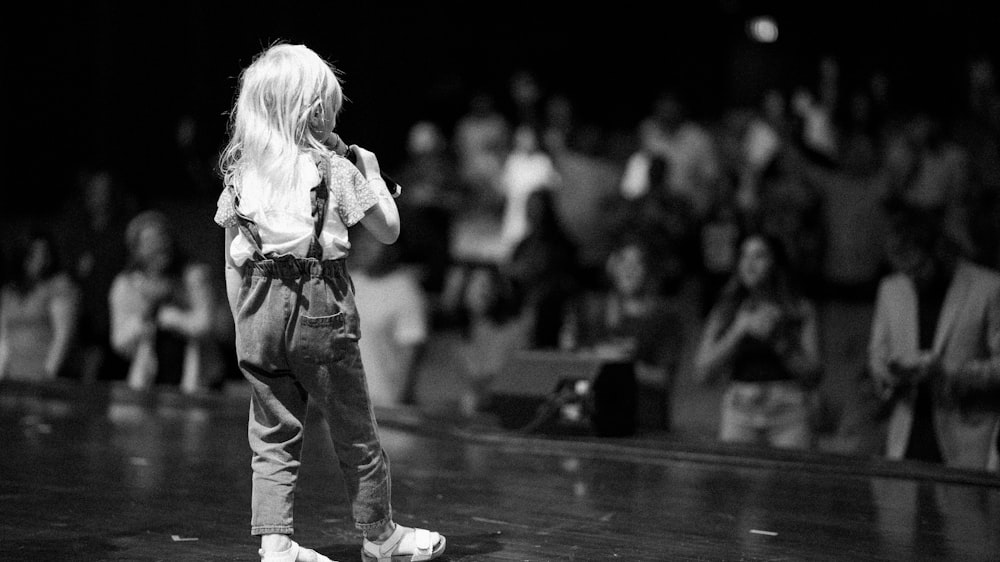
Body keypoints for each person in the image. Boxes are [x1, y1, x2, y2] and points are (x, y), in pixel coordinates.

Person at [215, 43, 446, 562]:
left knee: (272, 431)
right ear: (313, 111)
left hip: (256, 309)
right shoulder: (334, 169)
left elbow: (232, 259)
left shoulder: (241, 175)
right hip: (320, 305)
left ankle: (275, 545)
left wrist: (243, 322)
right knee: (354, 429)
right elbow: (387, 231)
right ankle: (380, 535)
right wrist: (374, 173)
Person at [868, 205, 1000, 471]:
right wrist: (895, 371)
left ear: (938, 252)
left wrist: (949, 371)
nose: (913, 277)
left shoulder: (988, 287)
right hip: (907, 434)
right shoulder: (892, 288)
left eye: (919, 267)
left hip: (967, 437)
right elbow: (877, 356)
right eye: (905, 270)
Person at [693, 232, 823, 450]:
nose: (749, 264)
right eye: (744, 256)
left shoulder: (799, 308)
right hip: (740, 413)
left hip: (788, 414)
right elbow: (702, 371)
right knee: (737, 481)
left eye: (759, 256)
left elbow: (814, 375)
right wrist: (739, 330)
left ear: (776, 263)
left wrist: (778, 340)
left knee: (790, 482)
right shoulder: (726, 309)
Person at [109, 210, 221, 394]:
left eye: (162, 238)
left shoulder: (193, 276)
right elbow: (119, 341)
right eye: (148, 242)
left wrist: (172, 317)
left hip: (196, 376)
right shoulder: (127, 284)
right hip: (147, 379)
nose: (158, 247)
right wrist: (148, 317)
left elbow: (205, 324)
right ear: (136, 249)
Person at [349, 225, 430, 408]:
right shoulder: (347, 284)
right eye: (361, 239)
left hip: (382, 408)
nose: (363, 246)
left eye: (372, 240)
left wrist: (397, 404)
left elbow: (410, 358)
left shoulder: (406, 292)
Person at [0, 229, 81, 382]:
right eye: (35, 253)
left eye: (45, 253)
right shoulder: (9, 292)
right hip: (13, 375)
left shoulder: (59, 286)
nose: (41, 259)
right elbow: (3, 337)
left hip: (44, 376)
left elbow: (62, 336)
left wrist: (48, 374)